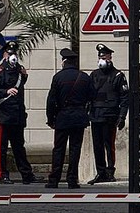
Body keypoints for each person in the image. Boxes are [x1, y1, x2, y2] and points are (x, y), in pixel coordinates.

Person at [0, 40, 42, 185]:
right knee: (2, 148)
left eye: (14, 53)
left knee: (19, 147)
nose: (13, 56)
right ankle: (3, 175)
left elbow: (19, 88)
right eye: (10, 53)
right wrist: (6, 91)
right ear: (5, 55)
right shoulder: (0, 71)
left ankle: (27, 175)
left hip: (18, 115)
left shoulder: (19, 70)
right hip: (5, 116)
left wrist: (24, 76)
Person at [45, 47, 95, 189]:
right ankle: (72, 179)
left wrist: (50, 119)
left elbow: (51, 100)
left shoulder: (58, 77)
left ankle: (54, 179)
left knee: (59, 148)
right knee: (75, 149)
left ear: (64, 61)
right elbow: (92, 97)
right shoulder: (84, 77)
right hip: (79, 117)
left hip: (63, 117)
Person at [87, 43, 129, 184]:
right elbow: (89, 96)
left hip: (110, 115)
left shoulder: (118, 75)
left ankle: (110, 171)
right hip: (96, 115)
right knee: (97, 146)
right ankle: (101, 172)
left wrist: (122, 116)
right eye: (100, 57)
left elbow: (124, 98)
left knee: (109, 145)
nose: (102, 60)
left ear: (110, 57)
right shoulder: (94, 75)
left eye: (104, 57)